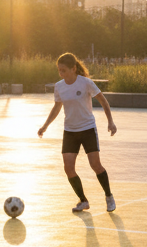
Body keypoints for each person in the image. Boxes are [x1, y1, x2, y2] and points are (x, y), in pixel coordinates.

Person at [38, 52, 117, 212]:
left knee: (95, 165)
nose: (61, 74)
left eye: (64, 70)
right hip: (70, 131)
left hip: (87, 128)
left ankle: (109, 196)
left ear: (73, 68)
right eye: (59, 71)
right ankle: (83, 200)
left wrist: (110, 122)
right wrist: (45, 125)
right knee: (68, 167)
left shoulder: (86, 83)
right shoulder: (59, 86)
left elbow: (103, 101)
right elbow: (57, 107)